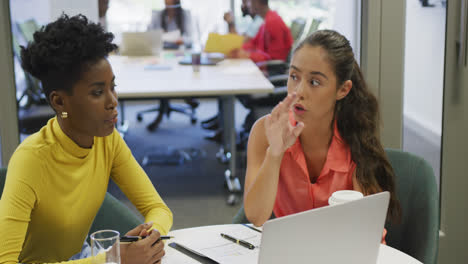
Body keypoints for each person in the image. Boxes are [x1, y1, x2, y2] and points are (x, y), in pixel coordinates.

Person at [0, 14, 172, 264]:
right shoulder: (31, 160)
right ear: (59, 102)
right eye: (97, 92)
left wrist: (149, 238)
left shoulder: (107, 140)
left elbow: (158, 209)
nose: (113, 102)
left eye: (113, 87)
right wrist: (113, 259)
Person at [243, 30, 400, 240]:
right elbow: (256, 216)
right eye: (294, 77)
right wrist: (275, 154)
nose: (298, 91)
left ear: (343, 90)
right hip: (290, 252)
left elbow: (366, 236)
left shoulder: (357, 138)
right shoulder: (265, 132)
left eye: (314, 82)